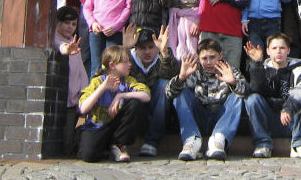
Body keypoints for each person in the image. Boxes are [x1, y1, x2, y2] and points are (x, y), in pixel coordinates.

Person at [166, 39, 247, 161]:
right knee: (180, 94)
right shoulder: (194, 70)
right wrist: (181, 78)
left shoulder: (229, 70)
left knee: (237, 96)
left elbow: (246, 93)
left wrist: (233, 83)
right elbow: (169, 94)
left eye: (212, 57)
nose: (208, 62)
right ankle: (191, 140)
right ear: (198, 58)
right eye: (204, 58)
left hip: (221, 118)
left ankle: (218, 141)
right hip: (199, 118)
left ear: (220, 55)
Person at [243, 35, 301, 159]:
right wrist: (257, 64)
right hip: (269, 119)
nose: (278, 51)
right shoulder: (262, 68)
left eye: (282, 48)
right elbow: (256, 90)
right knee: (252, 100)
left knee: (300, 98)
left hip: (291, 120)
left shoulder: (297, 69)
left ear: (288, 50)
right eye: (274, 48)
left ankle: (300, 144)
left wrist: (289, 108)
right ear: (267, 51)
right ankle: (263, 144)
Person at [77, 46, 150, 163]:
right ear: (112, 65)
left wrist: (120, 96)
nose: (129, 64)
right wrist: (102, 88)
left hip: (117, 126)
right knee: (88, 155)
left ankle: (118, 144)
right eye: (125, 62)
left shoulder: (129, 81)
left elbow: (146, 96)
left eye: (129, 61)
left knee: (135, 103)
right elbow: (83, 109)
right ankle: (105, 148)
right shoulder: (97, 81)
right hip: (98, 126)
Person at [128, 26, 179, 157]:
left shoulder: (164, 54)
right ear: (136, 48)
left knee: (164, 85)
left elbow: (172, 76)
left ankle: (152, 141)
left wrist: (164, 54)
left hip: (158, 107)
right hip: (138, 106)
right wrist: (122, 50)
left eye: (151, 47)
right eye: (143, 48)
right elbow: (108, 72)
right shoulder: (128, 58)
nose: (147, 52)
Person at [54, 6, 86, 155]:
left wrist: (84, 92)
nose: (70, 27)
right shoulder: (55, 38)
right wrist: (65, 50)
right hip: (61, 99)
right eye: (67, 23)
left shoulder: (74, 43)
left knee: (68, 137)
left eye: (73, 24)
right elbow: (60, 46)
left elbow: (81, 71)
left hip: (74, 99)